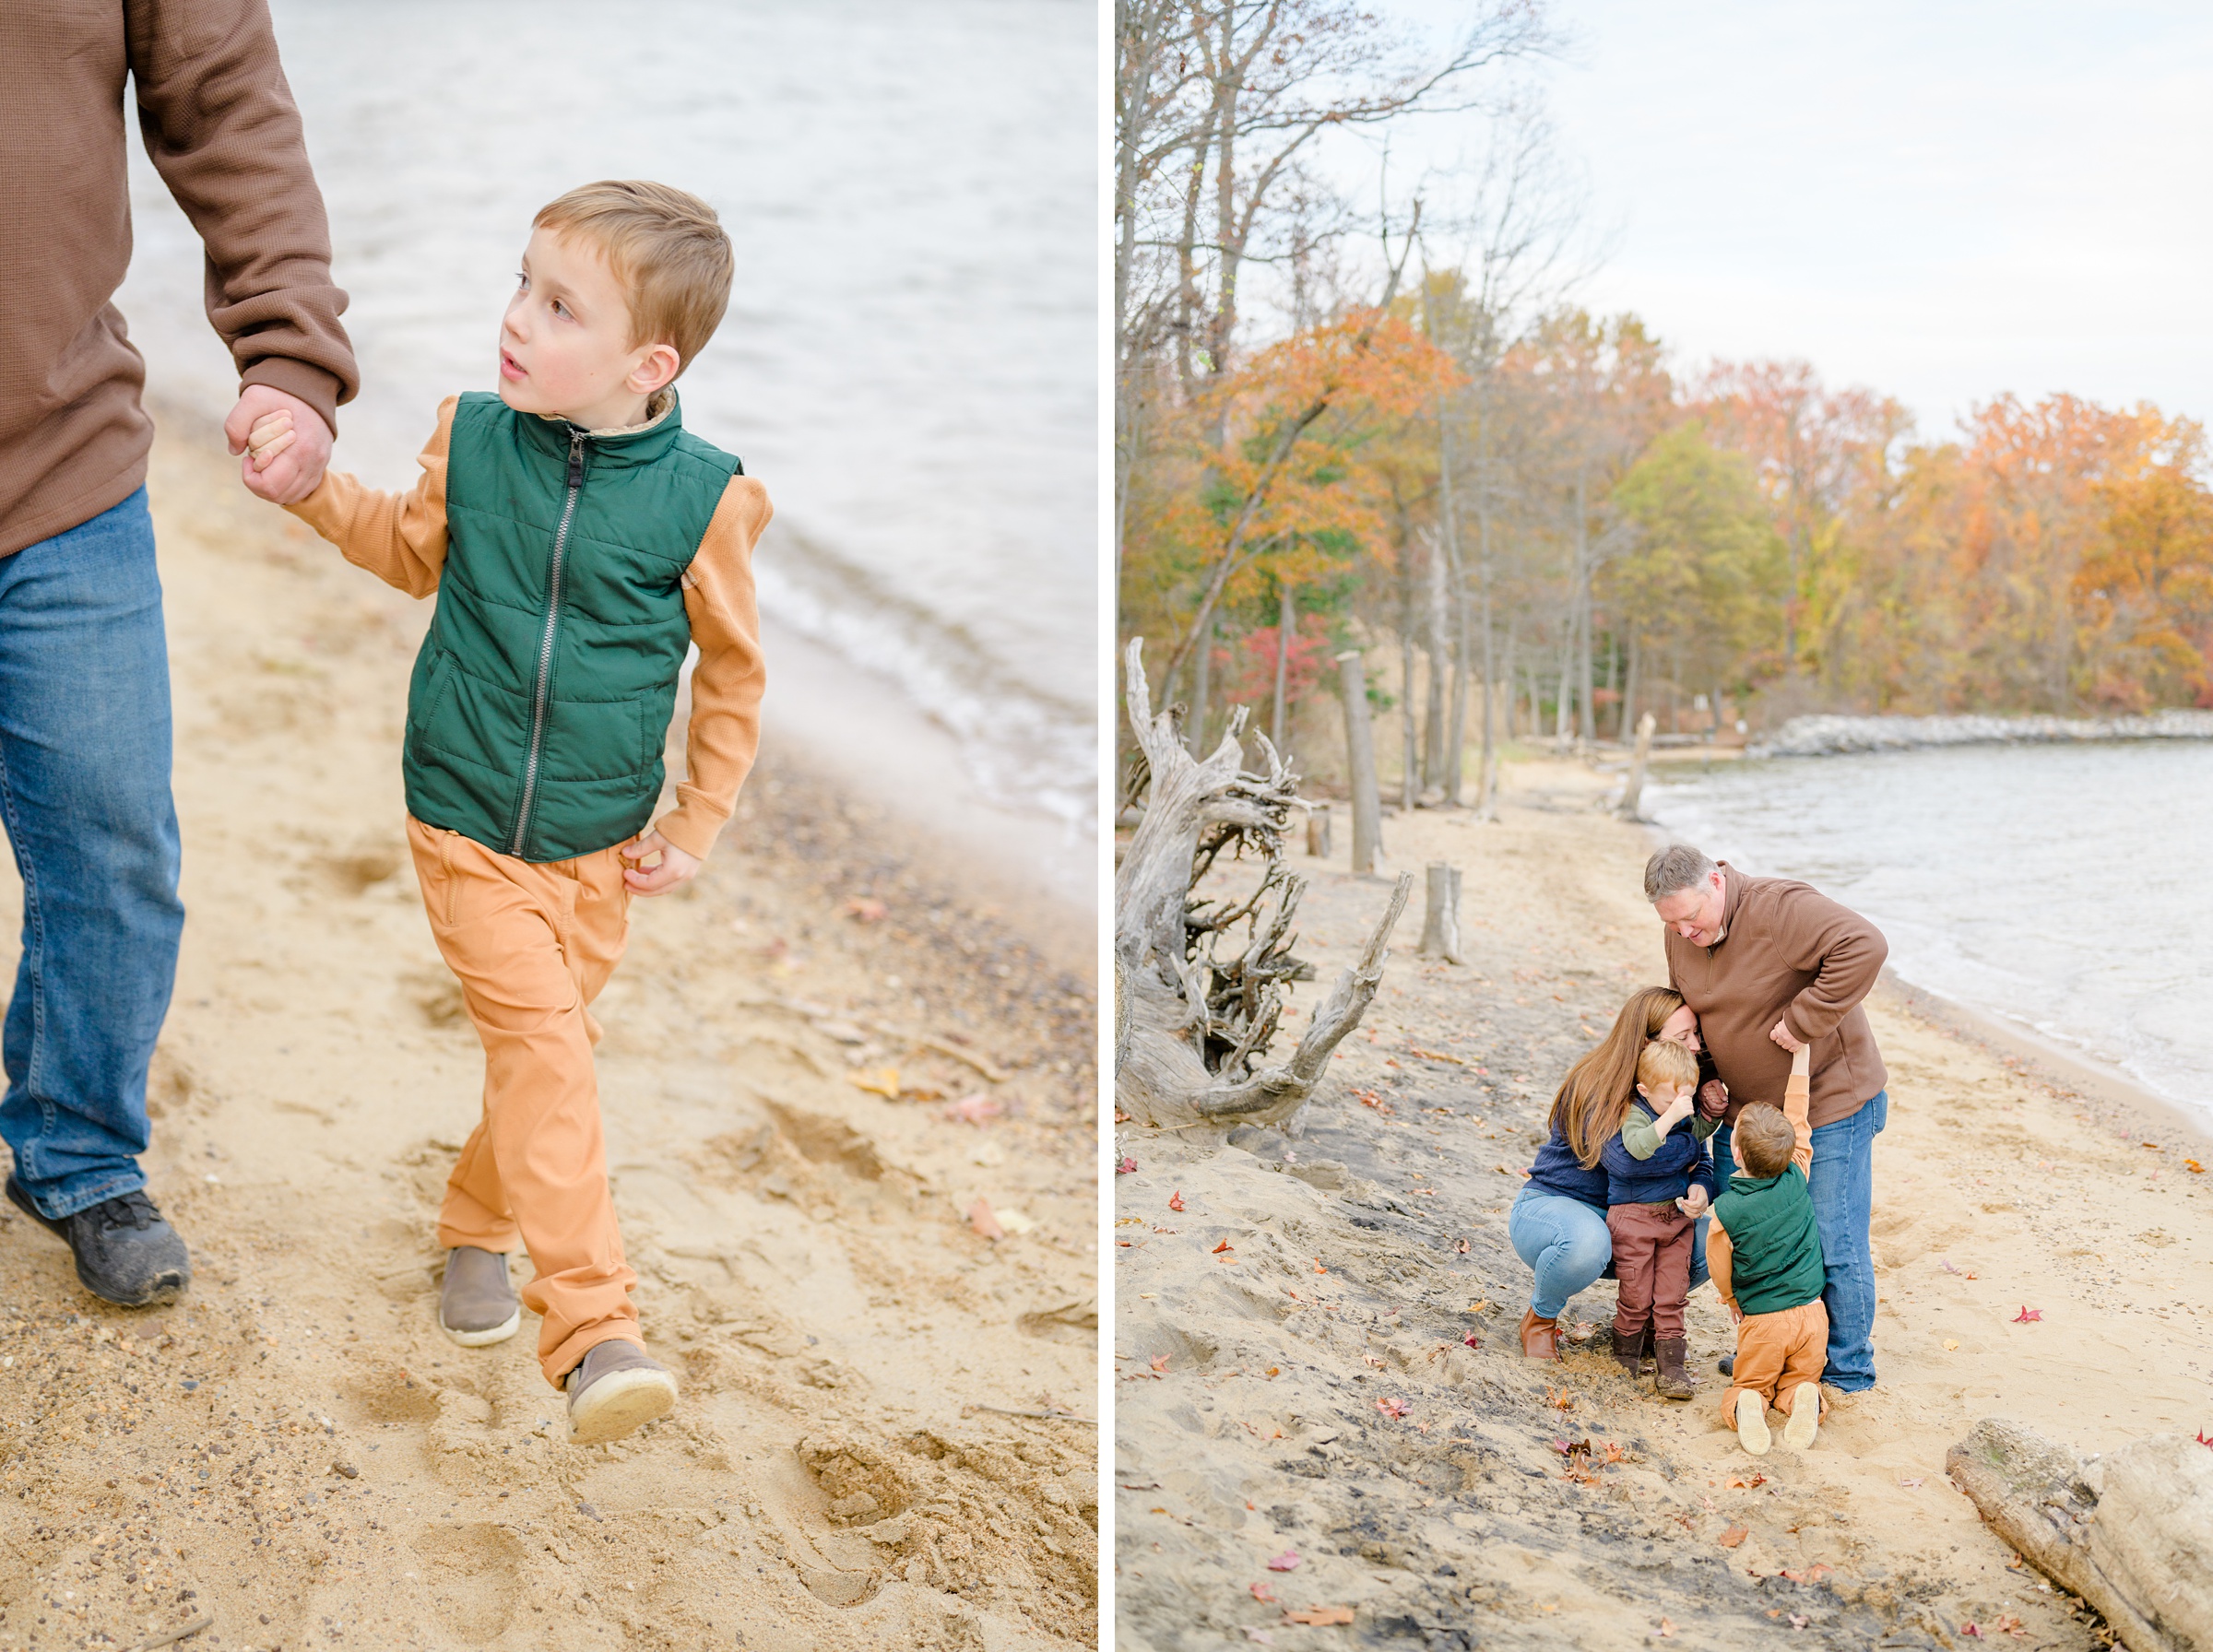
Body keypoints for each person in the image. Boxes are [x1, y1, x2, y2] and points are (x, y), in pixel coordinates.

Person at [247, 181, 769, 1446]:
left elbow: (734, 675)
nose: (517, 320)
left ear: (649, 362)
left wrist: (693, 822)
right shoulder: (472, 438)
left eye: (558, 305)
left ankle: (473, 1230)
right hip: (465, 816)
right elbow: (407, 548)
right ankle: (594, 1330)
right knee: (546, 1051)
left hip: (599, 844)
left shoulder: (705, 496)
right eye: (520, 284)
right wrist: (319, 486)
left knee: (550, 1057)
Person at [0, 0, 355, 1305]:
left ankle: (76, 1154)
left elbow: (231, 108)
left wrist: (290, 358)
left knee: (109, 840)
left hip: (60, 467)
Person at [1645, 842, 1889, 1394]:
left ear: (1716, 883)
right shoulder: (1681, 929)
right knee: (1753, 1238)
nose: (1683, 933)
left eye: (1690, 918)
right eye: (1671, 925)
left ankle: (1847, 1370)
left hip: (1829, 1106)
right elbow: (1698, 1013)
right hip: (1745, 1115)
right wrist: (1705, 1079)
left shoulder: (1779, 909)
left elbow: (1866, 945)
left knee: (1831, 1239)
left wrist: (1805, 1019)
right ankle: (1772, 1349)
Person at [1511, 985, 1722, 1359]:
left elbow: (1701, 1162)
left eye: (1697, 1034)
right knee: (1587, 1244)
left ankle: (1646, 1324)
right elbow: (1626, 1161)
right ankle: (1541, 1318)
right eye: (1683, 1036)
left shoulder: (1671, 1085)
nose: (1695, 1045)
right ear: (1646, 1042)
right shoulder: (1599, 1084)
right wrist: (1693, 1137)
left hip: (1633, 1222)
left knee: (1715, 1242)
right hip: (1557, 1210)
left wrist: (1702, 1187)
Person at [1709, 1045, 1827, 1456]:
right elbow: (1798, 1112)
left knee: (1752, 1383)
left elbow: (1719, 1263)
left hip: (1764, 1323)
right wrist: (1800, 1059)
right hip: (1813, 1314)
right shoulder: (1798, 1172)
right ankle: (1803, 1396)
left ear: (1736, 1154)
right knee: (1798, 1381)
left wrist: (1729, 1298)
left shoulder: (1725, 1211)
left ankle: (1747, 1405)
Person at [1598, 1038, 1715, 1398]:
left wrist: (1710, 1115)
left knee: (1671, 1294)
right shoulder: (1634, 1111)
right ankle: (1625, 1357)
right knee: (1635, 1294)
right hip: (1632, 1219)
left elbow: (1699, 1141)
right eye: (1669, 1100)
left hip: (1675, 1218)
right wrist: (1671, 1115)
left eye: (1687, 1098)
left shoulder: (1679, 1108)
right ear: (1644, 1090)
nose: (1681, 1107)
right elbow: (1637, 1146)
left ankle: (1672, 1365)